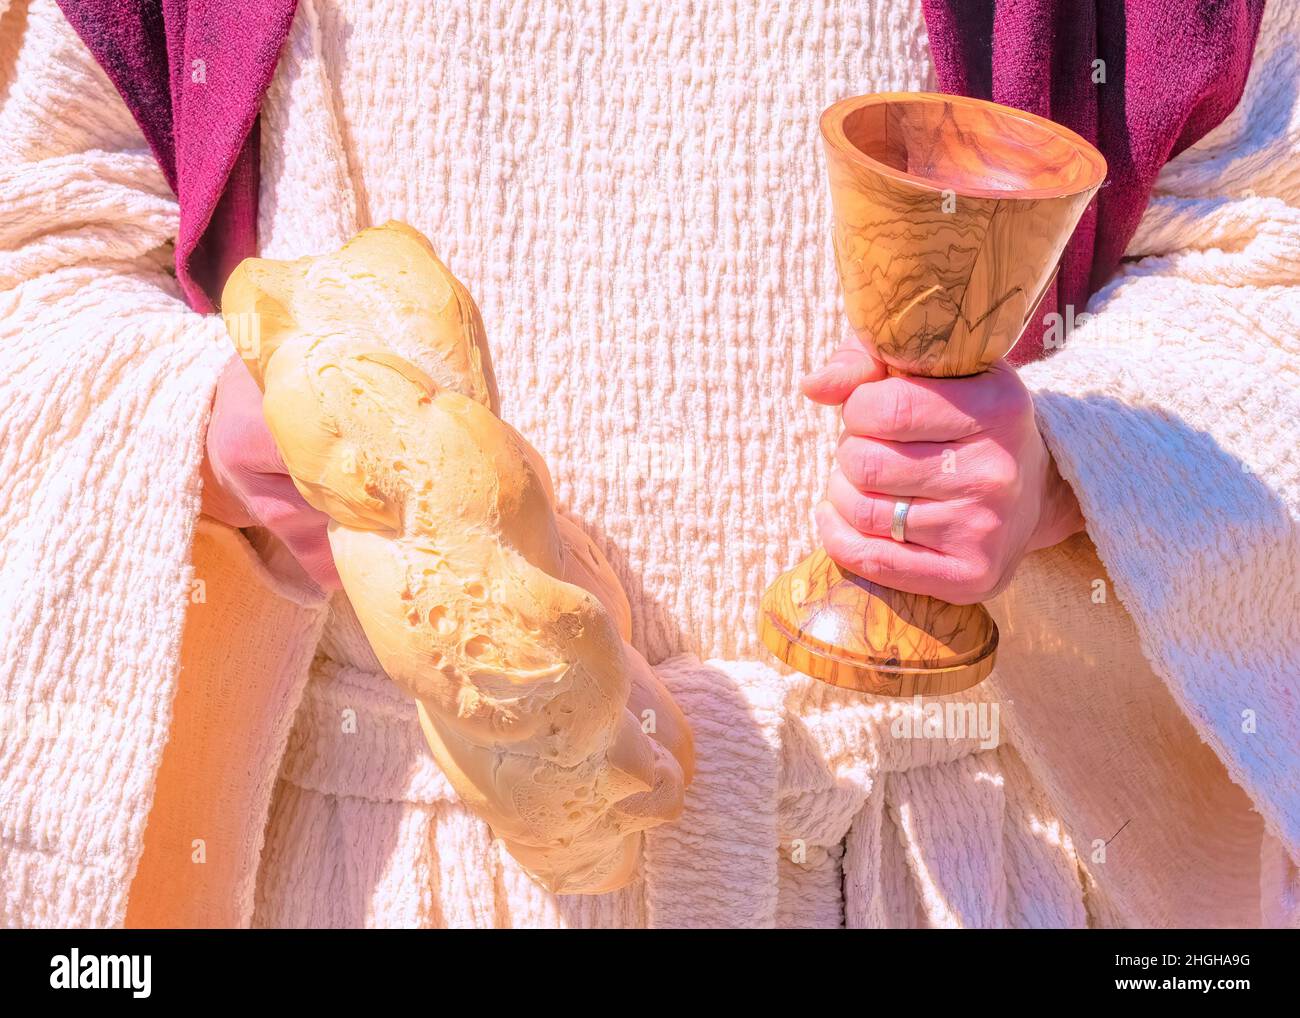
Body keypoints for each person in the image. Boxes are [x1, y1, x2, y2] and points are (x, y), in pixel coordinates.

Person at [1, 0, 1296, 928]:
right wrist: (224, 434)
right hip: (391, 863)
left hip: (937, 860)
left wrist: (1074, 455)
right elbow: (40, 262)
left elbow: (1264, 245)